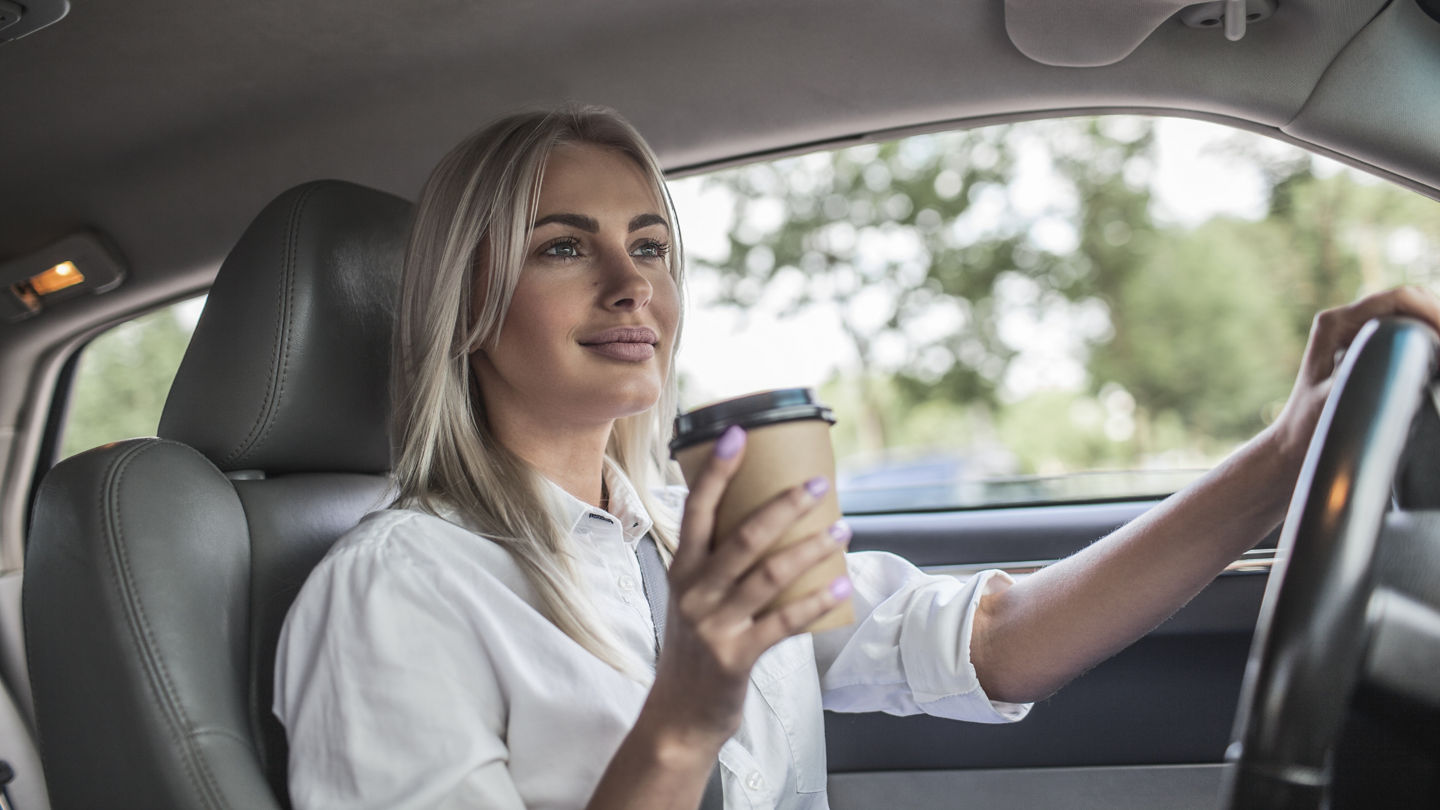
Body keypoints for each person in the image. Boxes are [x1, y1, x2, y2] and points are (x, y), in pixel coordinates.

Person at [272, 105, 1440, 810]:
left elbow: (999, 644)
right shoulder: (397, 590)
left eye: (650, 246)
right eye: (564, 247)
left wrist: (1288, 454)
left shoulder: (690, 530)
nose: (635, 287)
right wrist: (685, 717)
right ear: (465, 295)